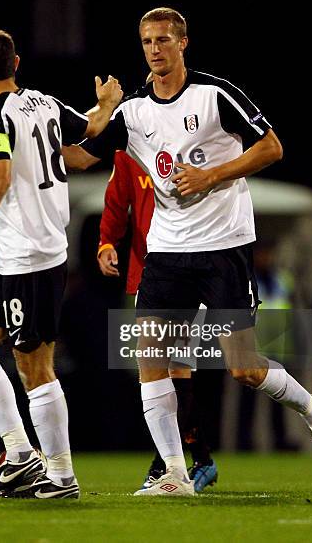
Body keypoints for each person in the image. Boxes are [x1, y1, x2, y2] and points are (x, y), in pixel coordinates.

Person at [63, 7, 312, 496]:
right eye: (147, 41)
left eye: (163, 40)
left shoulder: (214, 95)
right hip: (167, 250)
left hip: (224, 249)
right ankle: (174, 474)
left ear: (183, 43)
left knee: (244, 368)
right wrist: (84, 116)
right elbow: (79, 155)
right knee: (150, 356)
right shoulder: (134, 111)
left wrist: (212, 174)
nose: (154, 49)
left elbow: (272, 147)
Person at [0, 29, 123, 499]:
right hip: (15, 255)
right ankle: (21, 457)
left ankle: (62, 477)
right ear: (16, 62)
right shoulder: (42, 103)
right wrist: (105, 103)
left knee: (34, 367)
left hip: (31, 256)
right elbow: (87, 132)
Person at [97, 149, 218, 492]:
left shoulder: (192, 139)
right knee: (156, 370)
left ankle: (170, 466)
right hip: (147, 276)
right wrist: (106, 242)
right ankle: (196, 460)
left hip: (189, 272)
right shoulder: (129, 150)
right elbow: (117, 201)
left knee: (176, 369)